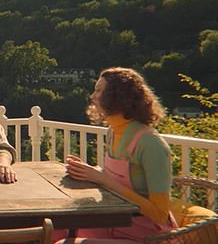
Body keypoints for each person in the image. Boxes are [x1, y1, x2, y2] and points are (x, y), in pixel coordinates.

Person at [58, 67, 176, 244]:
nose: (92, 96)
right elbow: (115, 180)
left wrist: (102, 179)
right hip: (113, 223)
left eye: (98, 90)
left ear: (116, 97)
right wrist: (90, 172)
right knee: (55, 229)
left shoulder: (151, 144)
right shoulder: (113, 131)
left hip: (146, 235)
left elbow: (159, 214)